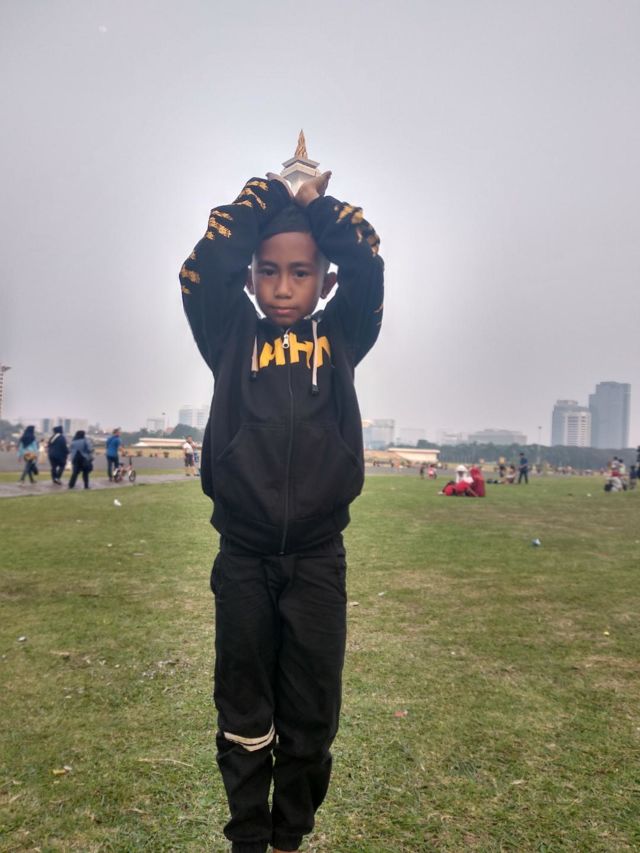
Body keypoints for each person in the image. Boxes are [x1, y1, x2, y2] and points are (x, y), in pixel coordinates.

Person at [180, 168, 383, 853]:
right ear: (250, 277)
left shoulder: (344, 334)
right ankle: (247, 835)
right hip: (243, 557)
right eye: (268, 271)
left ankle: (289, 835)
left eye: (301, 273)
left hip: (319, 560)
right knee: (243, 707)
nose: (284, 287)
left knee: (312, 713)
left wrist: (316, 205)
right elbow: (201, 268)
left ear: (324, 281)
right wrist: (266, 195)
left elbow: (368, 261)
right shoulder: (228, 333)